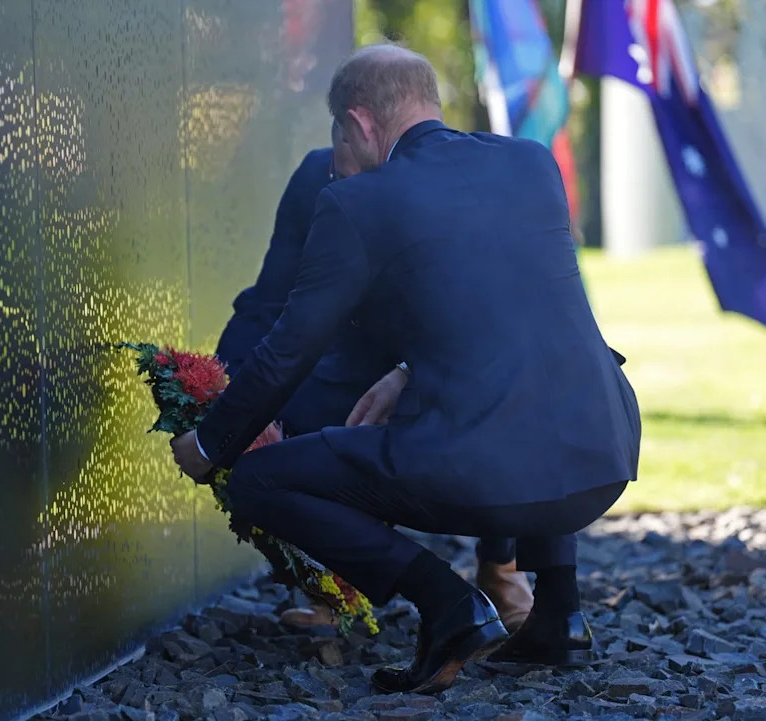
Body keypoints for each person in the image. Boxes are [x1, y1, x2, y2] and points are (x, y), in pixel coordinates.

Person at [172, 45, 640, 694]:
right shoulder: (530, 164)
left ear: (360, 124)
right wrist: (406, 371)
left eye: (339, 138)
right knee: (540, 398)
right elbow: (511, 315)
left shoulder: (358, 202)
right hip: (605, 453)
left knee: (257, 480)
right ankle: (559, 616)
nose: (336, 161)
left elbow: (289, 349)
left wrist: (209, 441)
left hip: (493, 474)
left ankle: (448, 603)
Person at [215, 121, 534, 631]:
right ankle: (333, 580)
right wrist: (219, 394)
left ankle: (501, 566)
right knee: (282, 411)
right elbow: (269, 300)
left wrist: (411, 370)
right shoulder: (313, 180)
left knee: (517, 394)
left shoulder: (462, 182)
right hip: (347, 364)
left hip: (442, 363)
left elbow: (497, 317)